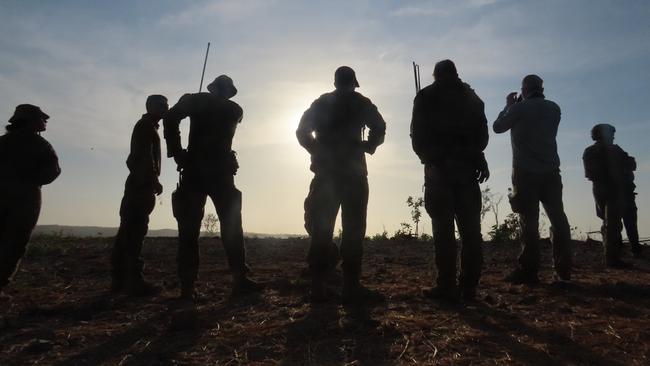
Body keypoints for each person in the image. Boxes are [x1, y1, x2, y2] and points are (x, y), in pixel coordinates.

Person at [163, 75, 261, 301]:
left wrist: (178, 153)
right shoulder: (234, 109)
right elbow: (172, 119)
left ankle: (189, 288)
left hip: (200, 171)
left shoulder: (202, 102)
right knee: (228, 228)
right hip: (217, 173)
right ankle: (235, 280)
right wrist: (178, 153)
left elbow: (170, 118)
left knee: (192, 231)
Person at [296, 66, 386, 303]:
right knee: (353, 231)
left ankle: (318, 287)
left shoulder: (321, 103)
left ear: (335, 82)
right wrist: (370, 145)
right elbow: (380, 126)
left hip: (327, 174)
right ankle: (350, 286)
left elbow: (301, 131)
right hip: (353, 174)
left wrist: (317, 151)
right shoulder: (361, 102)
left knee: (321, 230)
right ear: (353, 83)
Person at [410, 59, 490, 302]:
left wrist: (429, 159)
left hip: (439, 172)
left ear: (435, 75)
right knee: (471, 232)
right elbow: (482, 135)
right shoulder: (471, 96)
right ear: (456, 73)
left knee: (443, 231)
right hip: (466, 171)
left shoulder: (425, 96)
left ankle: (446, 286)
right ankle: (469, 287)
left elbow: (417, 136)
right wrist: (475, 156)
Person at [493, 74, 572, 284]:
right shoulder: (554, 108)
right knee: (558, 218)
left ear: (524, 89)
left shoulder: (519, 109)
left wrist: (508, 106)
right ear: (542, 88)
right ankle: (563, 270)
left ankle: (529, 270)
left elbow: (498, 127)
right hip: (551, 170)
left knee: (529, 221)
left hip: (525, 172)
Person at [0, 104, 60, 297]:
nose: (45, 120)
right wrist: (32, 182)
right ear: (31, 121)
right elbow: (52, 172)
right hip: (24, 201)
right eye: (42, 118)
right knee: (15, 242)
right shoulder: (40, 145)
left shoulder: (2, 142)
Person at [110, 95, 168, 296]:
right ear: (151, 106)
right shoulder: (145, 126)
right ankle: (131, 281)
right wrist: (153, 179)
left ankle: (121, 280)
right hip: (140, 185)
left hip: (140, 184)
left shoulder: (148, 126)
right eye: (163, 105)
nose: (166, 108)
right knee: (133, 231)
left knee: (130, 231)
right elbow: (143, 156)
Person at [583, 123, 641, 267]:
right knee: (614, 224)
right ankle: (613, 257)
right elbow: (630, 164)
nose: (614, 136)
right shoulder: (612, 151)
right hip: (613, 190)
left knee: (614, 223)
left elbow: (631, 164)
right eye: (611, 133)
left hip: (613, 190)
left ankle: (619, 252)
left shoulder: (601, 151)